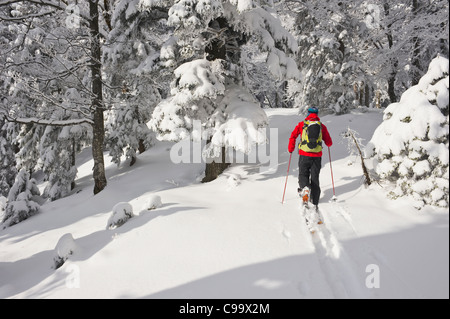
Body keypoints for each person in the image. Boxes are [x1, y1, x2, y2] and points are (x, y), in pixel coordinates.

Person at [288, 107, 333, 212]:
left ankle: (305, 188)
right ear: (317, 114)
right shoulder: (321, 126)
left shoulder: (302, 124)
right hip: (317, 156)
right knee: (315, 177)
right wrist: (328, 144)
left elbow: (293, 136)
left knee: (303, 174)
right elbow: (329, 142)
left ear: (308, 113)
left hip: (304, 155)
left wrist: (291, 148)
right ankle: (315, 201)